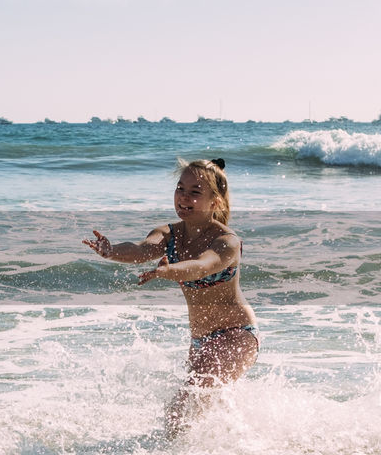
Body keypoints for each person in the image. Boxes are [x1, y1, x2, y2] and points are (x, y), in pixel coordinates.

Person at [83, 158, 257, 438]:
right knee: (197, 409)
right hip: (200, 340)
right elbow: (141, 249)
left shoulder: (227, 242)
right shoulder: (169, 233)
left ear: (215, 201)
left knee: (182, 408)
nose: (184, 197)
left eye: (195, 192)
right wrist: (112, 250)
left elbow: (203, 265)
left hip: (236, 334)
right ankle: (225, 454)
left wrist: (171, 270)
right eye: (180, 188)